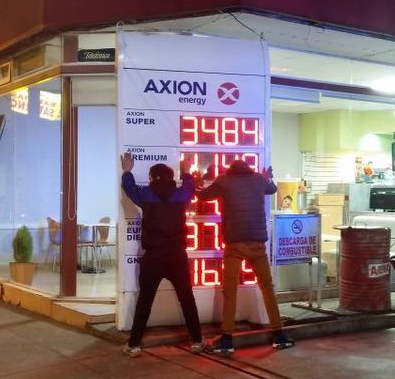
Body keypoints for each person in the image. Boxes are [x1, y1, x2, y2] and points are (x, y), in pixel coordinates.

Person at [197, 160, 295, 354]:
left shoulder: (223, 181)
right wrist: (267, 177)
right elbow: (272, 189)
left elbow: (202, 195)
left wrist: (194, 180)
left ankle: (227, 339)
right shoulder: (258, 179)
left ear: (230, 170)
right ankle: (278, 335)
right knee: (267, 289)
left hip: (234, 245)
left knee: (230, 291)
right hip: (257, 244)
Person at [120, 153, 203, 357]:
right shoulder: (180, 195)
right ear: (171, 177)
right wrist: (186, 171)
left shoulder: (146, 194)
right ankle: (197, 341)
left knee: (145, 301)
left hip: (154, 256)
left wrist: (127, 171)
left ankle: (134, 344)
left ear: (151, 178)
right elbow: (190, 187)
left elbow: (129, 188)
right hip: (177, 255)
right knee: (187, 299)